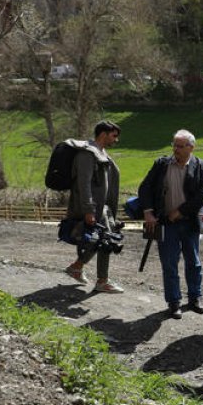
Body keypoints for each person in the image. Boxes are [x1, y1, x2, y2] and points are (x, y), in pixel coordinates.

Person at [138, 129, 203, 319]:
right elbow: (145, 187)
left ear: (191, 147)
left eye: (180, 146)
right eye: (174, 145)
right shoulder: (162, 164)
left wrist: (180, 212)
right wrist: (148, 212)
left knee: (194, 263)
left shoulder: (201, 166)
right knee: (169, 264)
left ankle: (195, 298)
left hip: (189, 223)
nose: (176, 149)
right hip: (165, 223)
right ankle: (174, 302)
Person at [63, 120, 124, 294]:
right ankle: (102, 281)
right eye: (114, 136)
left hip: (102, 209)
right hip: (91, 208)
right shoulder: (87, 154)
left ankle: (77, 267)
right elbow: (84, 184)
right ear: (103, 134)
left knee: (101, 241)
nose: (116, 140)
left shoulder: (101, 153)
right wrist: (88, 209)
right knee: (106, 241)